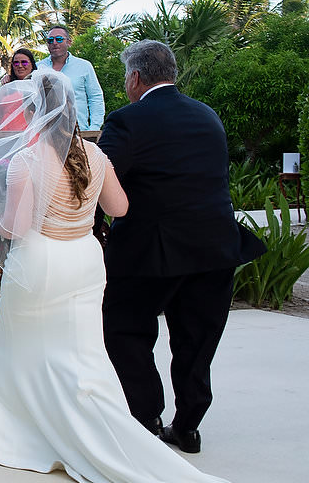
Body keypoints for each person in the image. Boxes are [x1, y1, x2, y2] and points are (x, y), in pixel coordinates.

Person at [0, 71, 263, 483]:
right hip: (85, 262)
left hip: (42, 262)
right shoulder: (95, 154)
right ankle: (96, 424)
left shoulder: (27, 160)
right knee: (81, 355)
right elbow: (119, 208)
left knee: (24, 350)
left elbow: (15, 228)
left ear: (34, 112)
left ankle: (21, 431)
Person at [100, 40, 266, 456]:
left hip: (149, 251)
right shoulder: (207, 115)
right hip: (214, 247)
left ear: (135, 77)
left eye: (126, 78)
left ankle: (145, 417)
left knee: (126, 330)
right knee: (196, 340)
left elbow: (103, 180)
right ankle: (188, 426)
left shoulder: (126, 120)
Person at [37, 25, 104, 131]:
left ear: (69, 42)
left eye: (59, 39)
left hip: (79, 132)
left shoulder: (84, 66)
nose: (54, 43)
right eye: (50, 40)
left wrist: (94, 128)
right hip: (46, 133)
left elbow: (95, 98)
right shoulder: (38, 68)